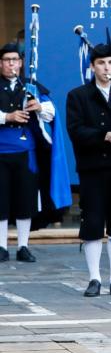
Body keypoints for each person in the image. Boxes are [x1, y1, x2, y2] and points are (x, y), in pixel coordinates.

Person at [66, 35, 111, 297]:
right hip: (93, 169)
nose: (107, 67)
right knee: (93, 222)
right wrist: (104, 136)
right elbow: (75, 131)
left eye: (110, 62)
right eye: (101, 63)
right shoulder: (78, 96)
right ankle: (94, 278)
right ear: (93, 66)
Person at [0, 41, 56, 263]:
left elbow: (51, 112)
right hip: (1, 152)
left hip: (26, 152)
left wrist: (39, 108)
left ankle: (23, 246)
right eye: (6, 60)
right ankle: (2, 246)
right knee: (1, 200)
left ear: (21, 63)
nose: (11, 64)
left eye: (15, 60)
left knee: (26, 199)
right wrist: (7, 117)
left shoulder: (31, 85)